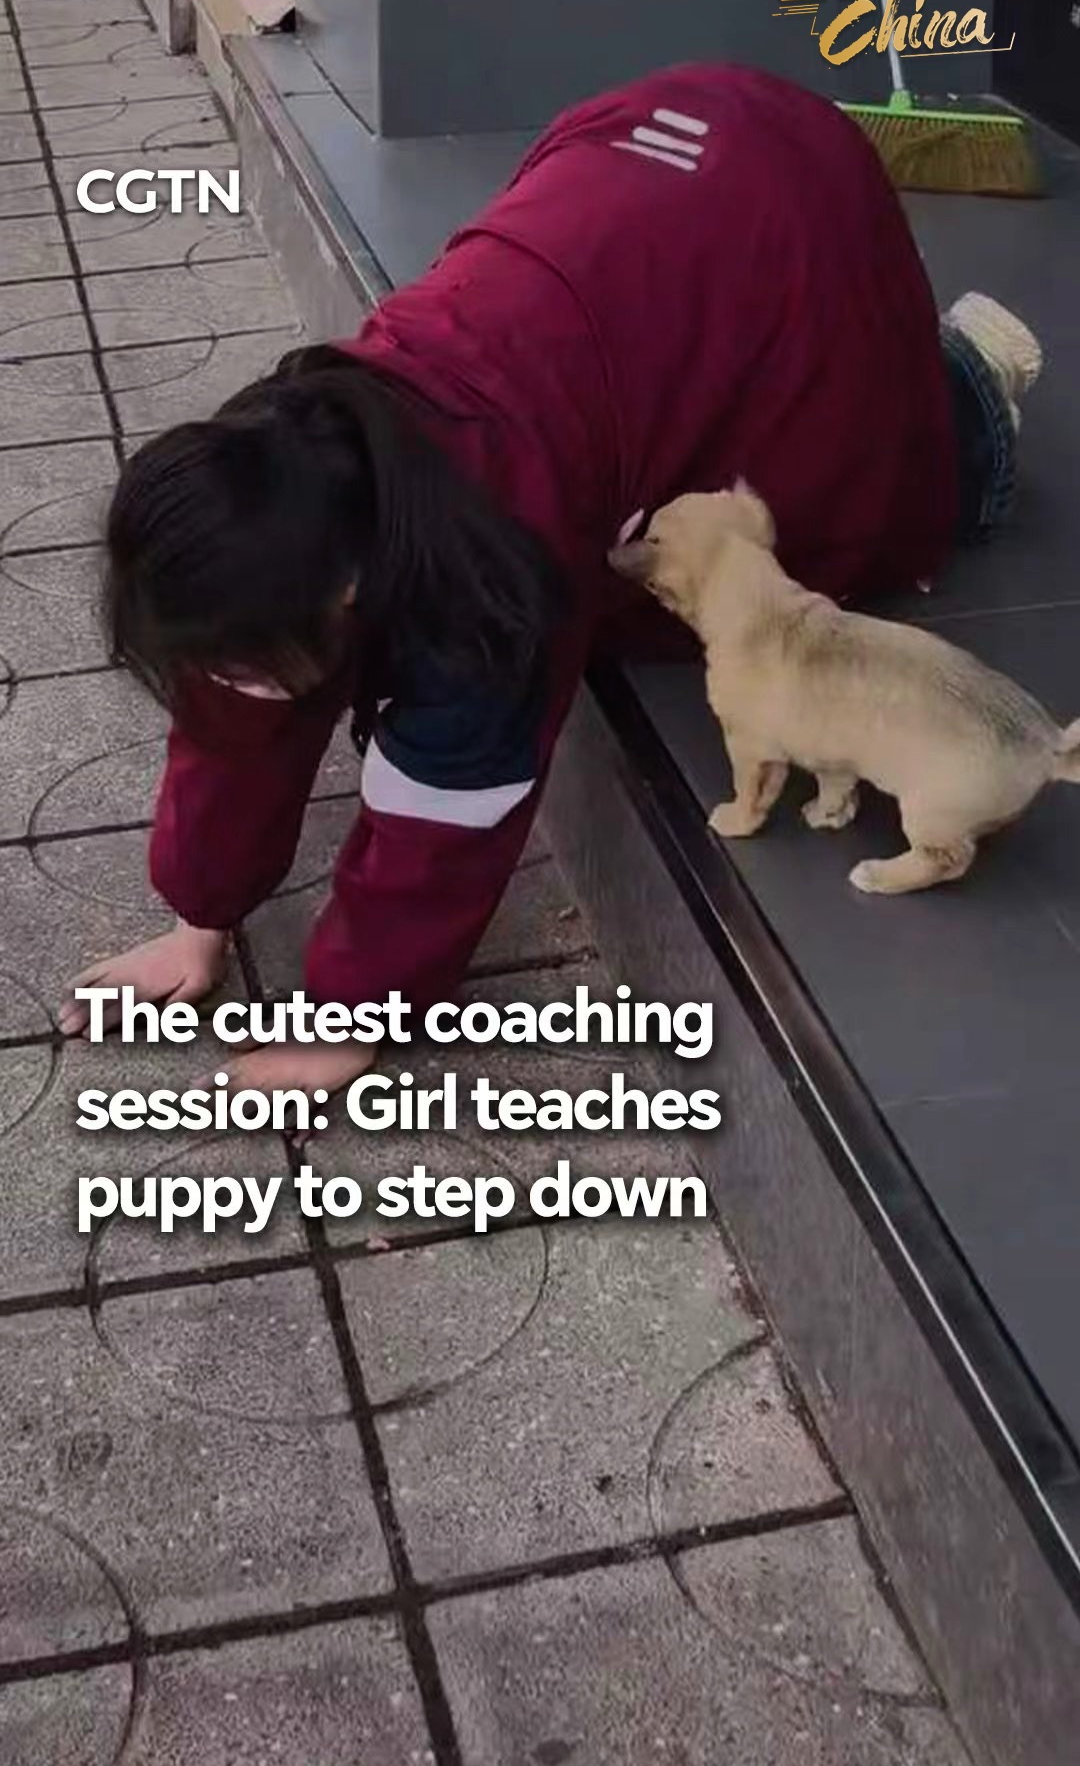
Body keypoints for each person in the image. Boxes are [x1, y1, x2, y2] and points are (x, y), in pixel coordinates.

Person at [59, 63, 1042, 1094]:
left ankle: (969, 371)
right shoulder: (275, 478)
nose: (232, 681)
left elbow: (443, 823)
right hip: (631, 189)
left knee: (882, 466)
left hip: (777, 204)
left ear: (347, 592)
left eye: (249, 662)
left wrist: (346, 1025)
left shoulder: (490, 558)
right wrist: (199, 918)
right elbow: (232, 721)